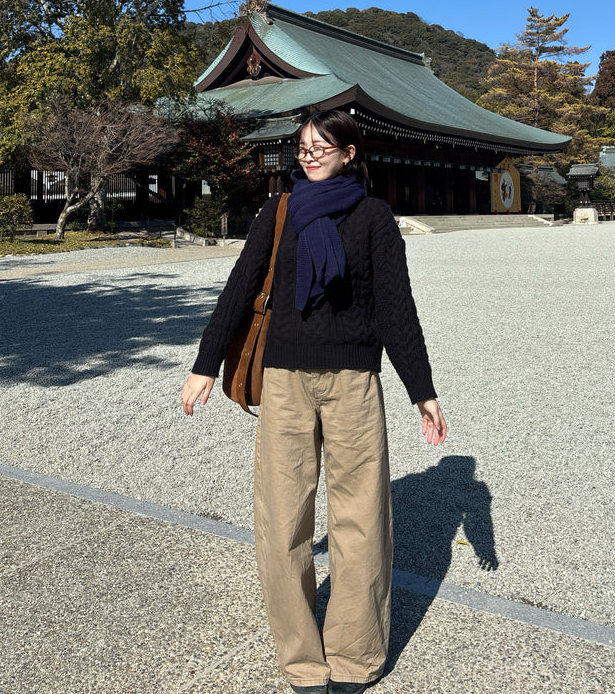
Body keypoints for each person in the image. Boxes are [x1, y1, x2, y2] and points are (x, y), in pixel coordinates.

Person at [181, 109, 447, 694]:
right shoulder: (278, 212)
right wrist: (205, 364)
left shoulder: (373, 217)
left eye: (321, 146)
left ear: (349, 154)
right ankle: (302, 660)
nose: (308, 155)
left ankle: (355, 657)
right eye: (302, 147)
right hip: (284, 379)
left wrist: (421, 389)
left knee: (361, 518)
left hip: (354, 380)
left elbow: (395, 307)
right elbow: (240, 287)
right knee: (283, 519)